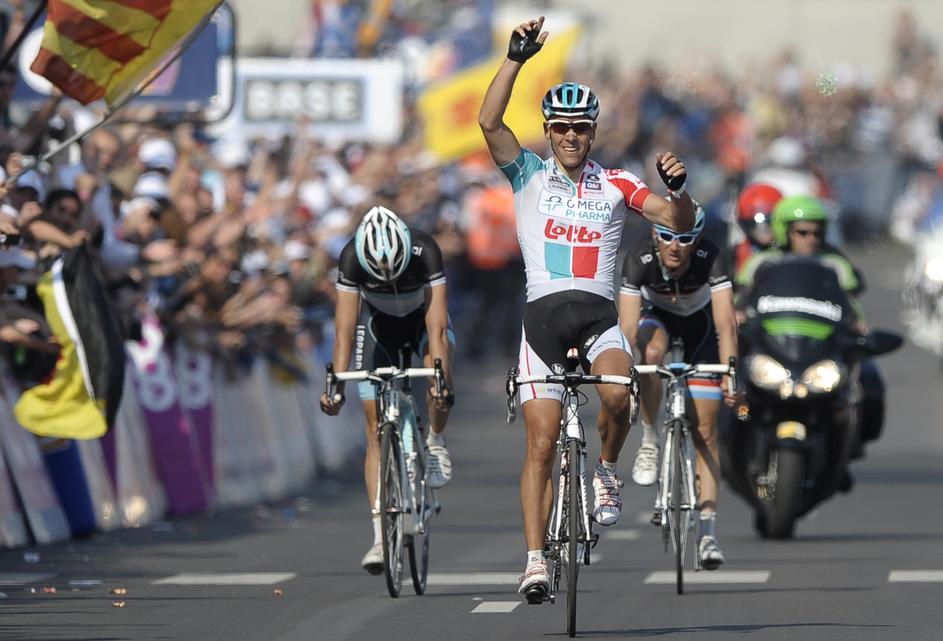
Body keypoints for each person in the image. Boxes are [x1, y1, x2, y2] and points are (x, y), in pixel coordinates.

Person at [478, 16, 695, 602]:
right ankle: (534, 562)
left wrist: (678, 190)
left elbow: (675, 220)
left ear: (593, 132)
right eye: (561, 128)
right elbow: (489, 122)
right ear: (549, 132)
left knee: (620, 394)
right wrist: (514, 59)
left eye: (580, 128)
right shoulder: (527, 173)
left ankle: (605, 469)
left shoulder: (618, 182)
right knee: (541, 443)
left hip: (599, 318)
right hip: (542, 322)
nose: (571, 136)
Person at [319, 205, 455, 575]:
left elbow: (437, 329)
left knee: (440, 377)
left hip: (422, 322)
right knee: (374, 428)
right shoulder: (351, 256)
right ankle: (380, 537)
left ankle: (435, 440)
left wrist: (438, 379)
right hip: (377, 327)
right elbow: (344, 330)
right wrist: (336, 386)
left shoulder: (426, 250)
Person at [619, 205, 738, 570]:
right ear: (654, 235)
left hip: (700, 327)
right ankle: (650, 438)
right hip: (656, 321)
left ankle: (708, 533)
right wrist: (627, 374)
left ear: (696, 240)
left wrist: (730, 372)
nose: (675, 246)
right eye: (667, 236)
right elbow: (627, 329)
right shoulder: (639, 257)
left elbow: (726, 324)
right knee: (650, 353)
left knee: (706, 431)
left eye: (685, 238)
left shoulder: (711, 257)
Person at [736, 195, 885, 473]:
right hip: (774, 346)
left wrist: (858, 326)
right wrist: (739, 316)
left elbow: (851, 304)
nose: (811, 239)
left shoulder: (835, 263)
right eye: (803, 232)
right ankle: (733, 441)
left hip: (821, 347)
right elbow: (741, 300)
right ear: (784, 231)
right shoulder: (763, 263)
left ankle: (849, 445)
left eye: (817, 232)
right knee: (733, 390)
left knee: (870, 381)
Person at [727, 182, 783, 278]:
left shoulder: (789, 250)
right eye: (753, 223)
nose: (763, 230)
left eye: (769, 221)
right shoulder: (734, 254)